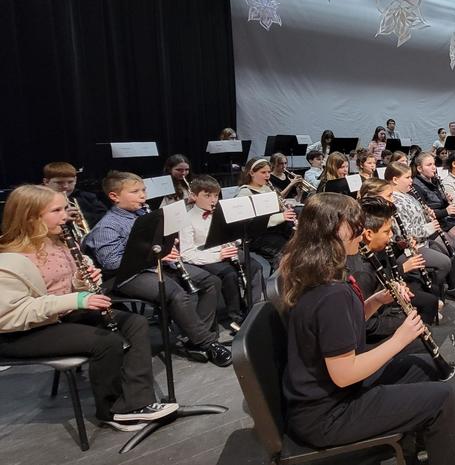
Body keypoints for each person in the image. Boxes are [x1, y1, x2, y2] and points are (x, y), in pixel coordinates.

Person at [279, 193, 455, 463]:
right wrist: (399, 338)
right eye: (356, 227)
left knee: (421, 367)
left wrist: (373, 301)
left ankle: (413, 447)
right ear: (334, 231)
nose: (361, 235)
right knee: (442, 399)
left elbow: (335, 329)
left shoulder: (315, 272)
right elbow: (344, 374)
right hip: (328, 414)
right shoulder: (331, 293)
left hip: (327, 397)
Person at [0, 185, 180, 431]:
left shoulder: (58, 242)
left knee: (134, 323)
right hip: (24, 331)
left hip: (59, 316)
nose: (66, 215)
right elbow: (12, 314)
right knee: (106, 342)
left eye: (65, 208)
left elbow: (63, 286)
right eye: (56, 210)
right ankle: (112, 410)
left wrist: (81, 283)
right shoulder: (9, 260)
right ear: (30, 216)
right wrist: (77, 300)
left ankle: (137, 401)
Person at [83, 172, 231, 366]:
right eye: (135, 191)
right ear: (114, 197)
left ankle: (194, 338)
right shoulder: (107, 227)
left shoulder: (144, 213)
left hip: (155, 264)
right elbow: (111, 263)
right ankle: (206, 342)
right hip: (127, 276)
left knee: (211, 281)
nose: (142, 195)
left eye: (143, 190)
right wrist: (154, 255)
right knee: (175, 294)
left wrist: (169, 243)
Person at [346, 196, 439, 340]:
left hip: (384, 304)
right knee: (423, 318)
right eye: (387, 232)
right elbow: (369, 325)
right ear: (369, 234)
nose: (391, 236)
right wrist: (406, 321)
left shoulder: (377, 249)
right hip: (373, 330)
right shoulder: (360, 273)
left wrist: (397, 286)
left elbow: (386, 278)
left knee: (430, 299)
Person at [179, 175, 261, 334]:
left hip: (226, 250)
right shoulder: (186, 219)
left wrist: (233, 241)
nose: (213, 200)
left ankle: (253, 308)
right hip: (204, 256)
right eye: (207, 195)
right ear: (194, 196)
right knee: (229, 275)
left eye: (216, 195)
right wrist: (219, 256)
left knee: (255, 267)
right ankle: (236, 318)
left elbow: (236, 235)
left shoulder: (221, 213)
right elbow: (187, 254)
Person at [384, 162, 455, 302]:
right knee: (445, 263)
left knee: (449, 250)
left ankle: (437, 290)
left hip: (424, 241)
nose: (411, 181)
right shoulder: (394, 200)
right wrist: (430, 227)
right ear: (395, 180)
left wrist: (427, 214)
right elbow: (404, 232)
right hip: (412, 247)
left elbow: (418, 217)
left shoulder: (408, 195)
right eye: (407, 177)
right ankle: (429, 289)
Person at [237, 158, 297, 260]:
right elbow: (249, 223)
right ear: (251, 173)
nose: (267, 175)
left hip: (275, 229)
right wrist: (281, 216)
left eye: (269, 172)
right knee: (286, 250)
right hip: (258, 236)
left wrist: (283, 208)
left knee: (299, 241)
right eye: (263, 172)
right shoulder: (244, 193)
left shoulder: (267, 188)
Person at [41, 161, 107, 229]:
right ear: (46, 182)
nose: (66, 186)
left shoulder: (87, 197)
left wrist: (82, 217)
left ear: (75, 180)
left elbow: (106, 217)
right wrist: (62, 218)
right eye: (59, 182)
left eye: (70, 182)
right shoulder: (37, 200)